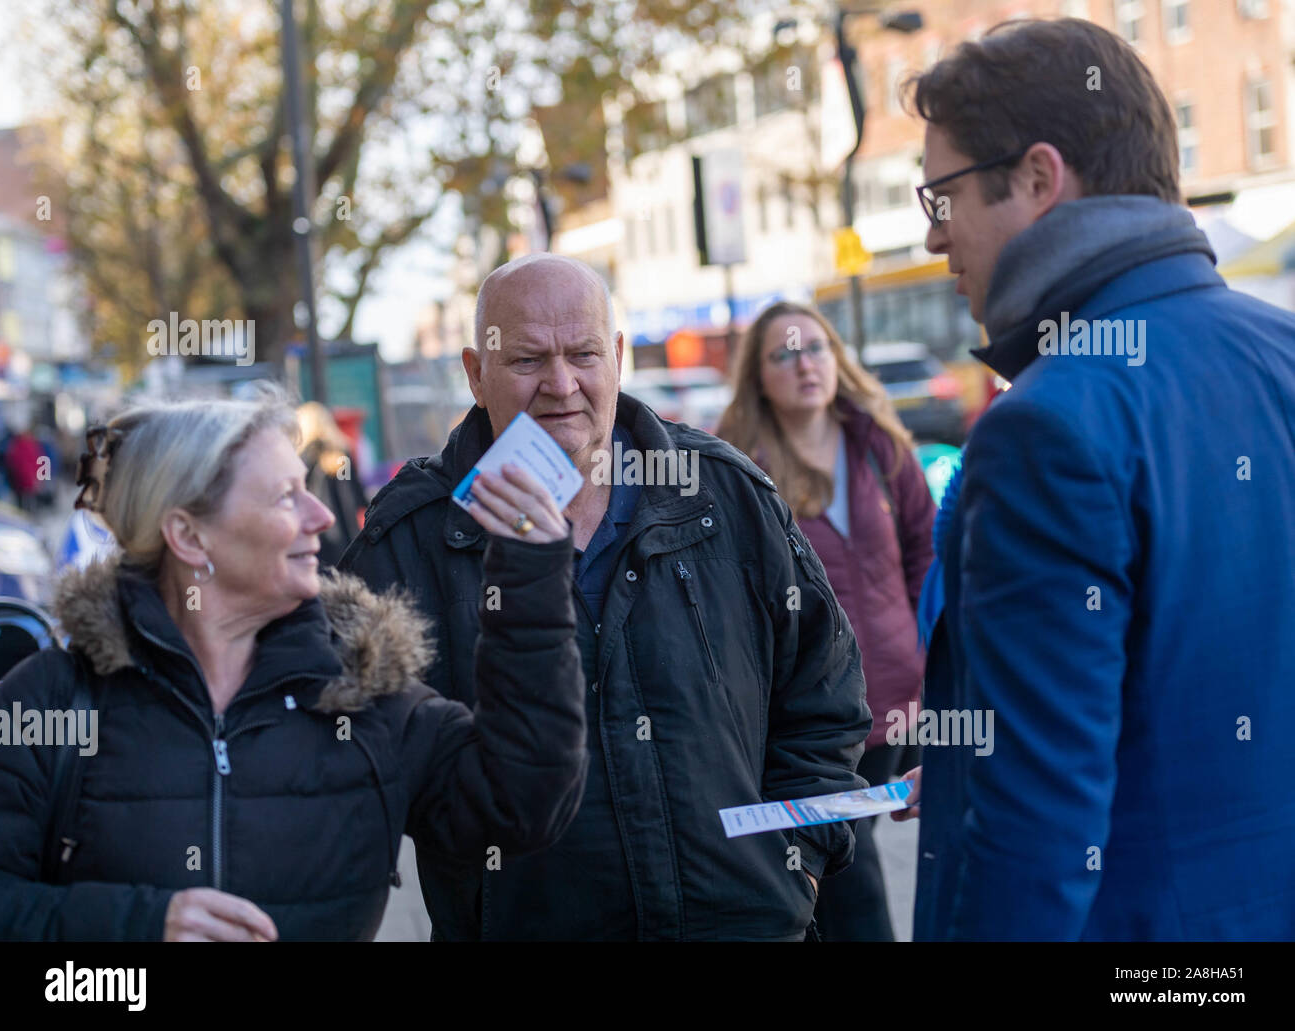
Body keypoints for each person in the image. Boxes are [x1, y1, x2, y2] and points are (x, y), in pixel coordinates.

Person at [897, 16, 1295, 940]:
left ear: (1038, 178)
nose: (932, 239)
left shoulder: (1047, 423)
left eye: (942, 197)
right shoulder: (1281, 356)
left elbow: (1035, 828)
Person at [340, 253, 870, 941]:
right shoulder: (409, 540)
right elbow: (355, 759)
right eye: (528, 359)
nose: (561, 385)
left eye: (584, 353)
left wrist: (794, 861)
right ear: (476, 373)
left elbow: (823, 700)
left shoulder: (723, 494)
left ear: (617, 357)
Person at [0, 391, 587, 941]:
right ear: (189, 537)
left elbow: (519, 805)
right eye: (286, 497)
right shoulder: (50, 704)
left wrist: (529, 581)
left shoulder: (364, 694)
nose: (321, 517)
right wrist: (140, 930)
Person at [718, 301, 934, 941]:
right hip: (820, 721)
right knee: (851, 886)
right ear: (759, 377)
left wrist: (930, 662)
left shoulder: (879, 446)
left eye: (814, 348)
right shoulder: (743, 472)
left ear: (836, 359)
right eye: (782, 353)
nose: (803, 364)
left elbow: (925, 553)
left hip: (903, 704)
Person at [296, 402, 370, 566]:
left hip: (314, 526)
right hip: (342, 526)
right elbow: (351, 491)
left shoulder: (302, 455)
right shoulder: (341, 452)